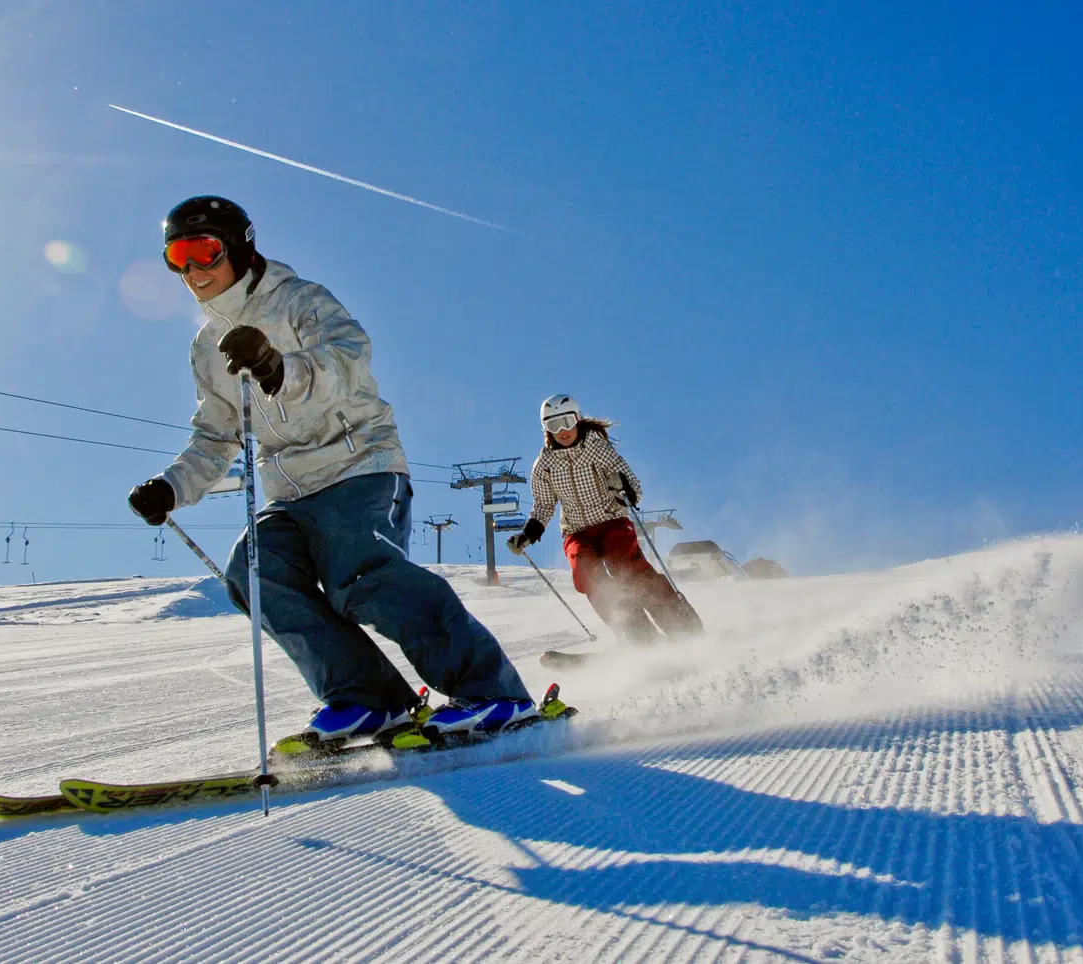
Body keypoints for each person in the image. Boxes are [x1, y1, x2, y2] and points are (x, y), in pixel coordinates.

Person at [127, 196, 558, 751]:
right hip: (289, 491)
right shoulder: (206, 347)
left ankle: (494, 693)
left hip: (358, 465)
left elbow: (351, 360)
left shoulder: (298, 301)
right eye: (177, 258)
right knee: (253, 573)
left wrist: (281, 367)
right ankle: (369, 701)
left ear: (237, 247)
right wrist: (172, 487)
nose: (192, 271)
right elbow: (215, 436)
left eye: (203, 251)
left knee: (360, 571)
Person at [507, 393, 702, 643]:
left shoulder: (596, 448)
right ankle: (638, 635)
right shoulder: (544, 465)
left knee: (626, 566)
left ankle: (679, 623)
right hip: (576, 531)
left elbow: (633, 486)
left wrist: (624, 490)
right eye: (554, 425)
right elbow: (544, 505)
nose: (563, 431)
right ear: (546, 429)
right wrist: (528, 535)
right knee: (586, 576)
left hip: (611, 520)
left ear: (577, 420)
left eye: (567, 422)